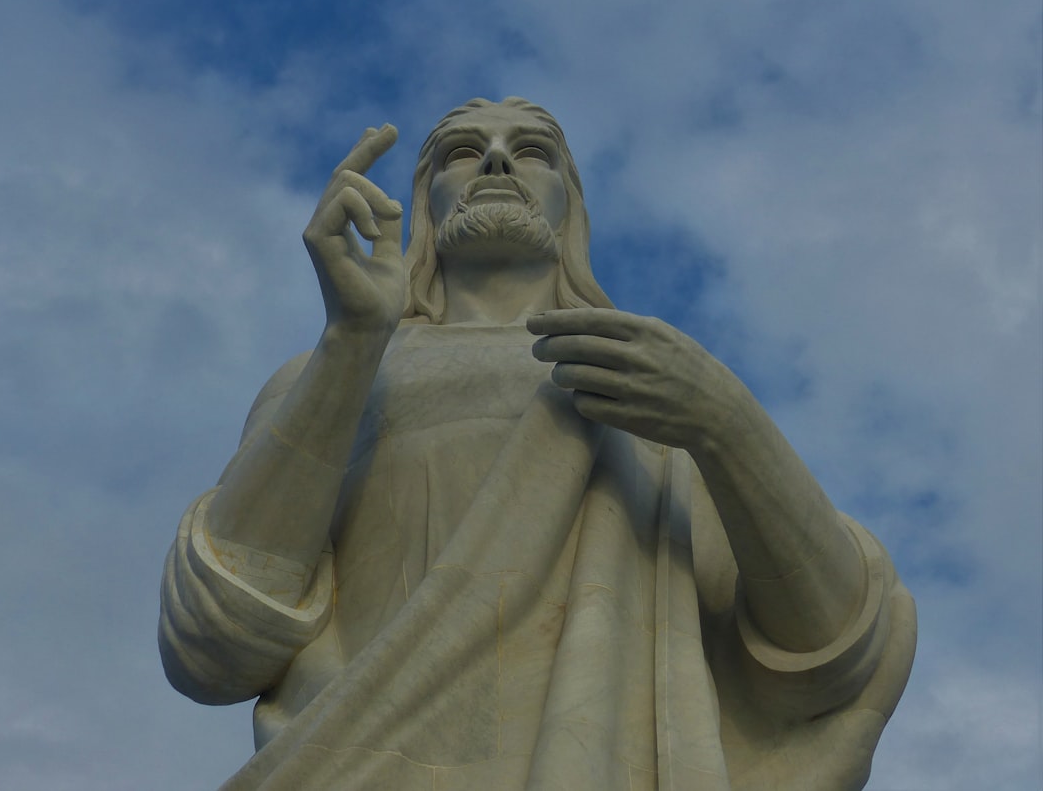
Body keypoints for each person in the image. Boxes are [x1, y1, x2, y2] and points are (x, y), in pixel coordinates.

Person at [160, 97, 916, 790]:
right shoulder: (336, 373)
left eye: (531, 150)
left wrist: (727, 424)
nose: (495, 160)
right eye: (461, 150)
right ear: (426, 202)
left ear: (570, 208)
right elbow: (216, 642)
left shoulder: (652, 388)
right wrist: (353, 342)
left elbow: (830, 652)